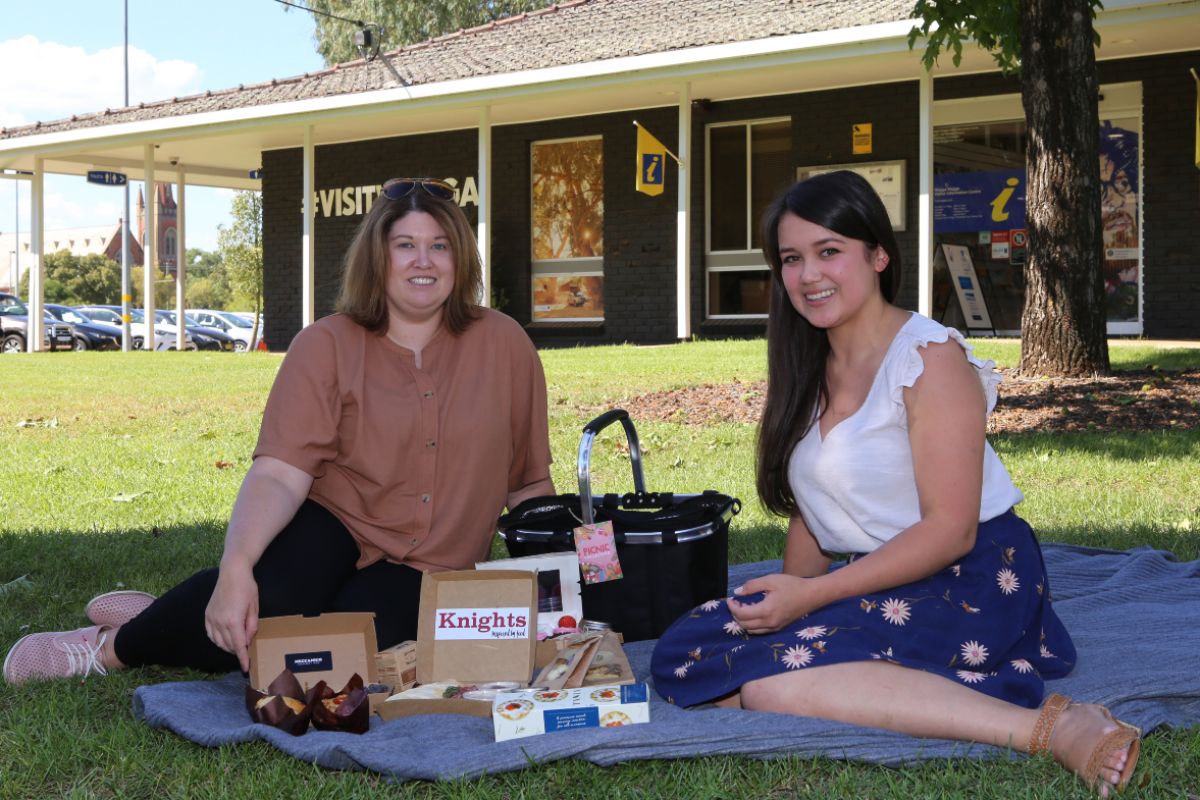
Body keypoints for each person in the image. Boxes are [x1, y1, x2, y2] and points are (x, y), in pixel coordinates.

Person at [650, 171, 1139, 796]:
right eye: (792, 259)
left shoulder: (929, 359)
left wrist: (811, 601)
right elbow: (811, 509)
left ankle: (1051, 728)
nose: (808, 275)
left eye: (830, 252)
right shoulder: (807, 364)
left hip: (975, 575)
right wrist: (793, 594)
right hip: (877, 575)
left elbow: (951, 530)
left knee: (774, 683)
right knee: (683, 652)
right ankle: (899, 684)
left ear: (878, 256)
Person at [5, 177, 555, 684]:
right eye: (405, 245)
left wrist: (556, 592)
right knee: (266, 600)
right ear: (378, 257)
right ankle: (110, 648)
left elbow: (529, 484)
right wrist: (236, 567)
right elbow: (279, 472)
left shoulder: (505, 345)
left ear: (459, 259)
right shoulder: (327, 343)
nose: (423, 261)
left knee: (330, 655)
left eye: (439, 245)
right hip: (338, 522)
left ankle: (167, 612)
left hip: (433, 564)